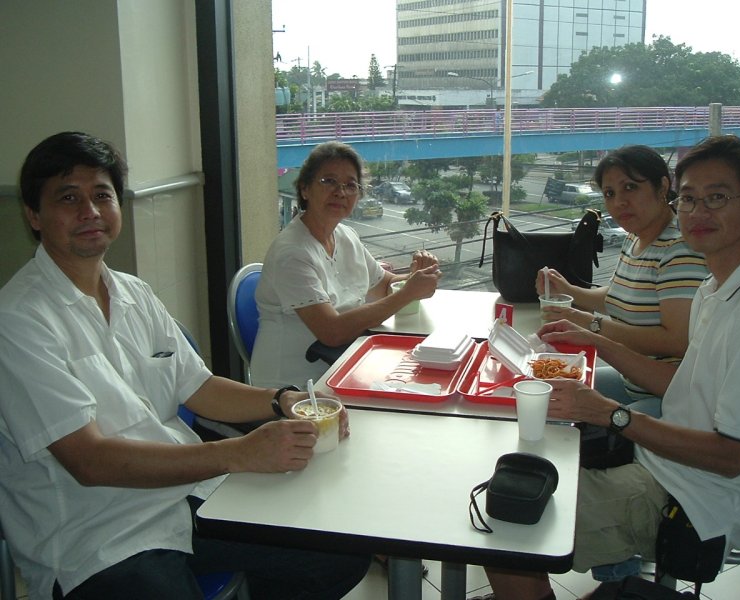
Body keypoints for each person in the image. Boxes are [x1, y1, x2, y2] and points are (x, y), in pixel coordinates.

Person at [0, 132, 370, 600]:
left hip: (181, 497)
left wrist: (283, 401)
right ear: (33, 215)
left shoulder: (133, 293)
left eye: (101, 195)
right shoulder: (19, 320)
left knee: (338, 555)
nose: (90, 211)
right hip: (95, 534)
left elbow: (198, 387)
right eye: (68, 198)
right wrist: (238, 454)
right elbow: (88, 461)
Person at [474, 135, 740, 600]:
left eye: (717, 198)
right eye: (689, 198)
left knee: (501, 524)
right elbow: (678, 383)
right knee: (520, 475)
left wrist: (613, 413)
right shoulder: (717, 287)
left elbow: (731, 456)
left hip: (699, 498)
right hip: (669, 466)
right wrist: (593, 340)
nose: (697, 212)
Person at [250, 141, 441, 389]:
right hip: (294, 388)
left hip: (344, 364)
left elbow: (382, 285)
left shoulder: (345, 235)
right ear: (304, 189)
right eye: (328, 181)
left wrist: (416, 275)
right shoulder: (292, 253)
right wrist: (408, 293)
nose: (341, 192)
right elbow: (332, 332)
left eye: (351, 185)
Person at [536, 145, 708, 418]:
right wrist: (569, 291)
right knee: (542, 389)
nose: (619, 202)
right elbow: (621, 296)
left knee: (563, 421)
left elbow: (676, 341)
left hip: (668, 397)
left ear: (662, 186)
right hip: (633, 383)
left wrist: (591, 325)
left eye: (630, 187)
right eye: (609, 194)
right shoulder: (636, 237)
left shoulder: (679, 250)